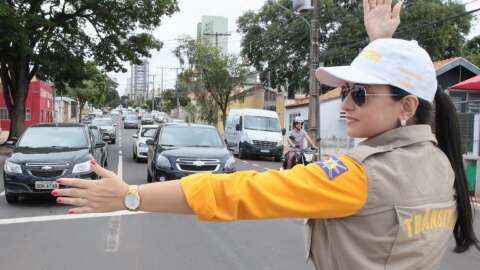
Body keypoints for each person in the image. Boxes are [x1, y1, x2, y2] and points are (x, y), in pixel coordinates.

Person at [51, 1, 479, 269]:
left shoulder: (360, 178)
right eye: (345, 90)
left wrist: (132, 196)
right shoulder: (441, 163)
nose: (345, 102)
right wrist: (381, 46)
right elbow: (415, 110)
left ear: (406, 107)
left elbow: (241, 192)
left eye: (359, 92)